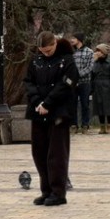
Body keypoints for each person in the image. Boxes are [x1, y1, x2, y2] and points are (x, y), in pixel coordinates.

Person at [24, 31, 77, 207]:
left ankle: (58, 192)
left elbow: (67, 84)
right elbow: (29, 82)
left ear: (55, 43)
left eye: (49, 50)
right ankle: (46, 190)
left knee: (56, 154)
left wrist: (48, 103)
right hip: (38, 111)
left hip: (58, 112)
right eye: (43, 51)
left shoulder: (67, 60)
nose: (46, 54)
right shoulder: (35, 61)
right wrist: (37, 101)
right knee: (39, 153)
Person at [90, 45, 110, 135]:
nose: (97, 52)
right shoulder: (94, 62)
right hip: (97, 86)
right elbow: (91, 74)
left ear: (103, 52)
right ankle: (102, 126)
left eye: (99, 51)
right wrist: (91, 88)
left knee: (108, 107)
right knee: (99, 107)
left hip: (107, 86)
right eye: (96, 51)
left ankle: (109, 126)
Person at [70, 34, 95, 131]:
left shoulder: (89, 52)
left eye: (74, 38)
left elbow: (90, 67)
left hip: (85, 82)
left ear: (79, 39)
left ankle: (85, 124)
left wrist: (78, 75)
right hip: (72, 83)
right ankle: (73, 124)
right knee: (72, 104)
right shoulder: (71, 52)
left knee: (85, 104)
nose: (71, 40)